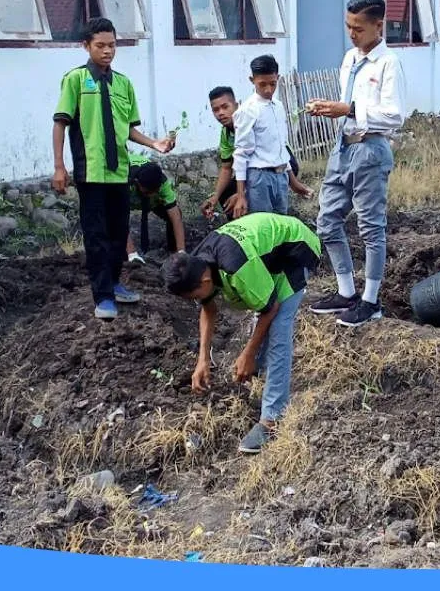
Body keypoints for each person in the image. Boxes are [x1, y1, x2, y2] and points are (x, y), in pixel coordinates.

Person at [161, 213, 322, 454]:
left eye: (194, 296)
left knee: (278, 328)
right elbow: (208, 308)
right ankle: (257, 370)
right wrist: (202, 359)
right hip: (267, 255)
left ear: (205, 280)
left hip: (295, 250)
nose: (197, 301)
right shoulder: (197, 263)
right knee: (262, 309)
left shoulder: (235, 267)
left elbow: (270, 309)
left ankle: (271, 419)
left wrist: (248, 353)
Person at [52, 17, 174, 320]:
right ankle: (103, 296)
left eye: (112, 45)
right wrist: (59, 166)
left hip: (119, 172)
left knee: (119, 231)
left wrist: (154, 144)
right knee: (96, 234)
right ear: (86, 46)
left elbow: (127, 129)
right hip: (90, 172)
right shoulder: (76, 80)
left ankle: (115, 282)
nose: (107, 51)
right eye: (100, 46)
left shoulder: (123, 84)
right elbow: (60, 123)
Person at [306, 0, 408, 327]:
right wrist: (330, 109)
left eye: (359, 28)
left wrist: (347, 109)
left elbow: (394, 116)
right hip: (344, 146)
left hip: (371, 150)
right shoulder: (350, 59)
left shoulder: (388, 63)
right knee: (327, 220)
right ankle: (346, 291)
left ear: (378, 26)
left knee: (370, 227)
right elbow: (346, 107)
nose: (352, 33)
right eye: (348, 26)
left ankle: (370, 301)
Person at [200, 86, 312, 220]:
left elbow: (277, 158)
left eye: (225, 107)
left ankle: (267, 221)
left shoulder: (252, 119)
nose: (221, 113)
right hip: (254, 168)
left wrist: (243, 194)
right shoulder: (226, 133)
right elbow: (226, 168)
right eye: (216, 110)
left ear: (236, 105)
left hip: (282, 162)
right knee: (227, 193)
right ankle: (241, 227)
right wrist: (215, 197)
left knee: (265, 210)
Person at [232, 54, 295, 218]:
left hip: (281, 177)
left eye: (272, 84)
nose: (268, 89)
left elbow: (281, 147)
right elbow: (241, 153)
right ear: (252, 80)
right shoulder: (247, 110)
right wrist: (241, 195)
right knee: (264, 227)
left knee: (282, 226)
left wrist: (293, 181)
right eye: (262, 84)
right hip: (259, 178)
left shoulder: (279, 107)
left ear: (278, 78)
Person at [125, 154, 186, 263]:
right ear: (137, 183)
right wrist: (132, 254)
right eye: (148, 192)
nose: (152, 194)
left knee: (175, 214)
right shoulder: (124, 180)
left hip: (153, 202)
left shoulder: (162, 182)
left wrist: (181, 251)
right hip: (128, 196)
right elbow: (116, 218)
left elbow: (175, 216)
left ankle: (173, 252)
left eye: (155, 191)